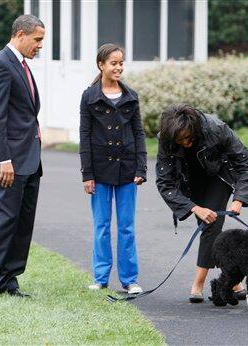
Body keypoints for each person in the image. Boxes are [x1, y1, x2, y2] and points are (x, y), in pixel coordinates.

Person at [155, 104, 248, 303]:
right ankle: (233, 280)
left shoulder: (216, 128)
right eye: (180, 141)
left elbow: (245, 163)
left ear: (196, 129)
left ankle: (198, 283)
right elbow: (165, 183)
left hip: (218, 177)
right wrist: (194, 208)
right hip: (188, 180)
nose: (186, 144)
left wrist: (239, 199)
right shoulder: (166, 138)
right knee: (208, 226)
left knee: (211, 224)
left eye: (189, 138)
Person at [0, 15, 45, 300]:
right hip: (10, 162)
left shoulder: (22, 65)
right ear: (20, 34)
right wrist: (4, 159)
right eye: (37, 39)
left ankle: (8, 279)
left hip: (30, 158)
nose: (40, 46)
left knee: (23, 222)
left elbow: (24, 112)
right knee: (5, 220)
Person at [79, 44, 147, 294]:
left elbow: (139, 134)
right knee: (102, 226)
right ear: (101, 65)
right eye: (113, 63)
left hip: (128, 170)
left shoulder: (131, 96)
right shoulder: (89, 96)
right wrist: (87, 174)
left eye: (121, 63)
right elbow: (84, 136)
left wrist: (141, 167)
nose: (118, 67)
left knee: (127, 226)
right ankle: (100, 277)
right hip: (99, 171)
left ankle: (130, 280)